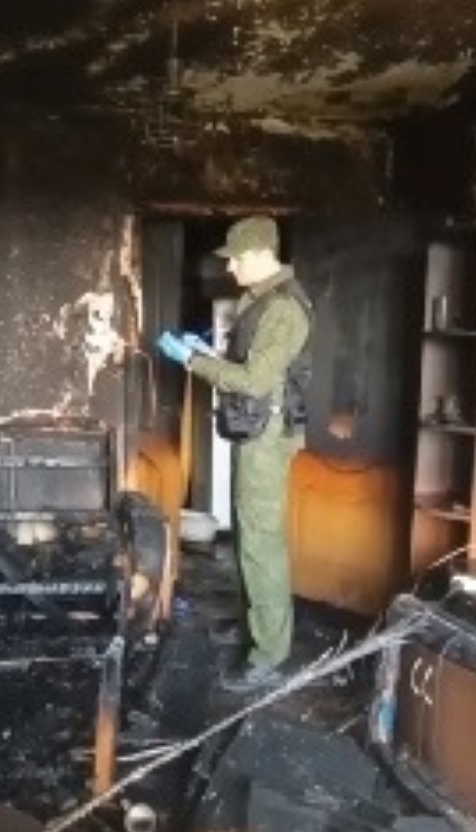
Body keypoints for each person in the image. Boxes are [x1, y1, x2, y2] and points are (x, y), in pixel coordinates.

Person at [157, 216, 313, 692]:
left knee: (261, 543)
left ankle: (269, 653)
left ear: (262, 254)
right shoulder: (259, 300)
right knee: (248, 534)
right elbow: (249, 366)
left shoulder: (283, 308)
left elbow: (255, 381)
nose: (231, 268)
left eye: (237, 259)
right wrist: (209, 354)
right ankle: (253, 626)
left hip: (266, 437)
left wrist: (193, 361)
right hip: (254, 430)